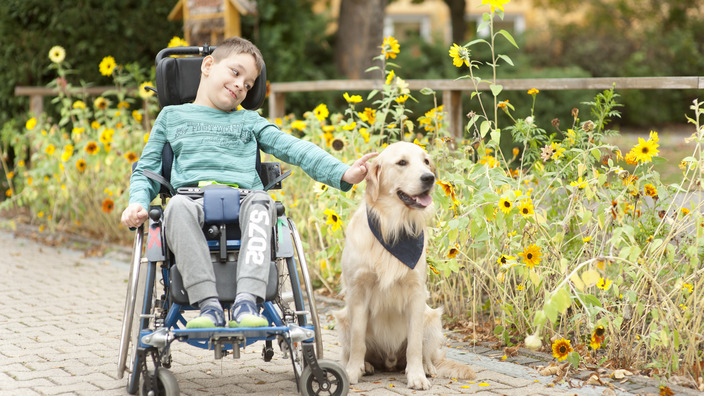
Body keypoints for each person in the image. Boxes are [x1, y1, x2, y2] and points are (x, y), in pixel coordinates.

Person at [121, 37, 375, 329]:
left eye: (250, 83)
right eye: (235, 72)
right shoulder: (171, 116)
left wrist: (343, 172)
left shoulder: (250, 121)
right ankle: (209, 306)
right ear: (208, 65)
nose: (242, 85)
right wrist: (137, 203)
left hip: (245, 197)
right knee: (175, 207)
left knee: (263, 203)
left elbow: (294, 148)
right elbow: (147, 170)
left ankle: (246, 301)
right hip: (189, 199)